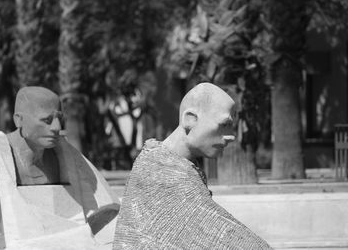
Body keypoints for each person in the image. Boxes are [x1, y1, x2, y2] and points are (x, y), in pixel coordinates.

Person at [0, 86, 119, 250]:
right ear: (18, 120)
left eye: (60, 118)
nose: (57, 128)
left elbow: (106, 209)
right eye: (47, 120)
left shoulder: (64, 152)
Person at [113, 82, 272, 249]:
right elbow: (215, 233)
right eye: (224, 125)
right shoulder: (160, 172)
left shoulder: (167, 164)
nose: (229, 136)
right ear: (190, 119)